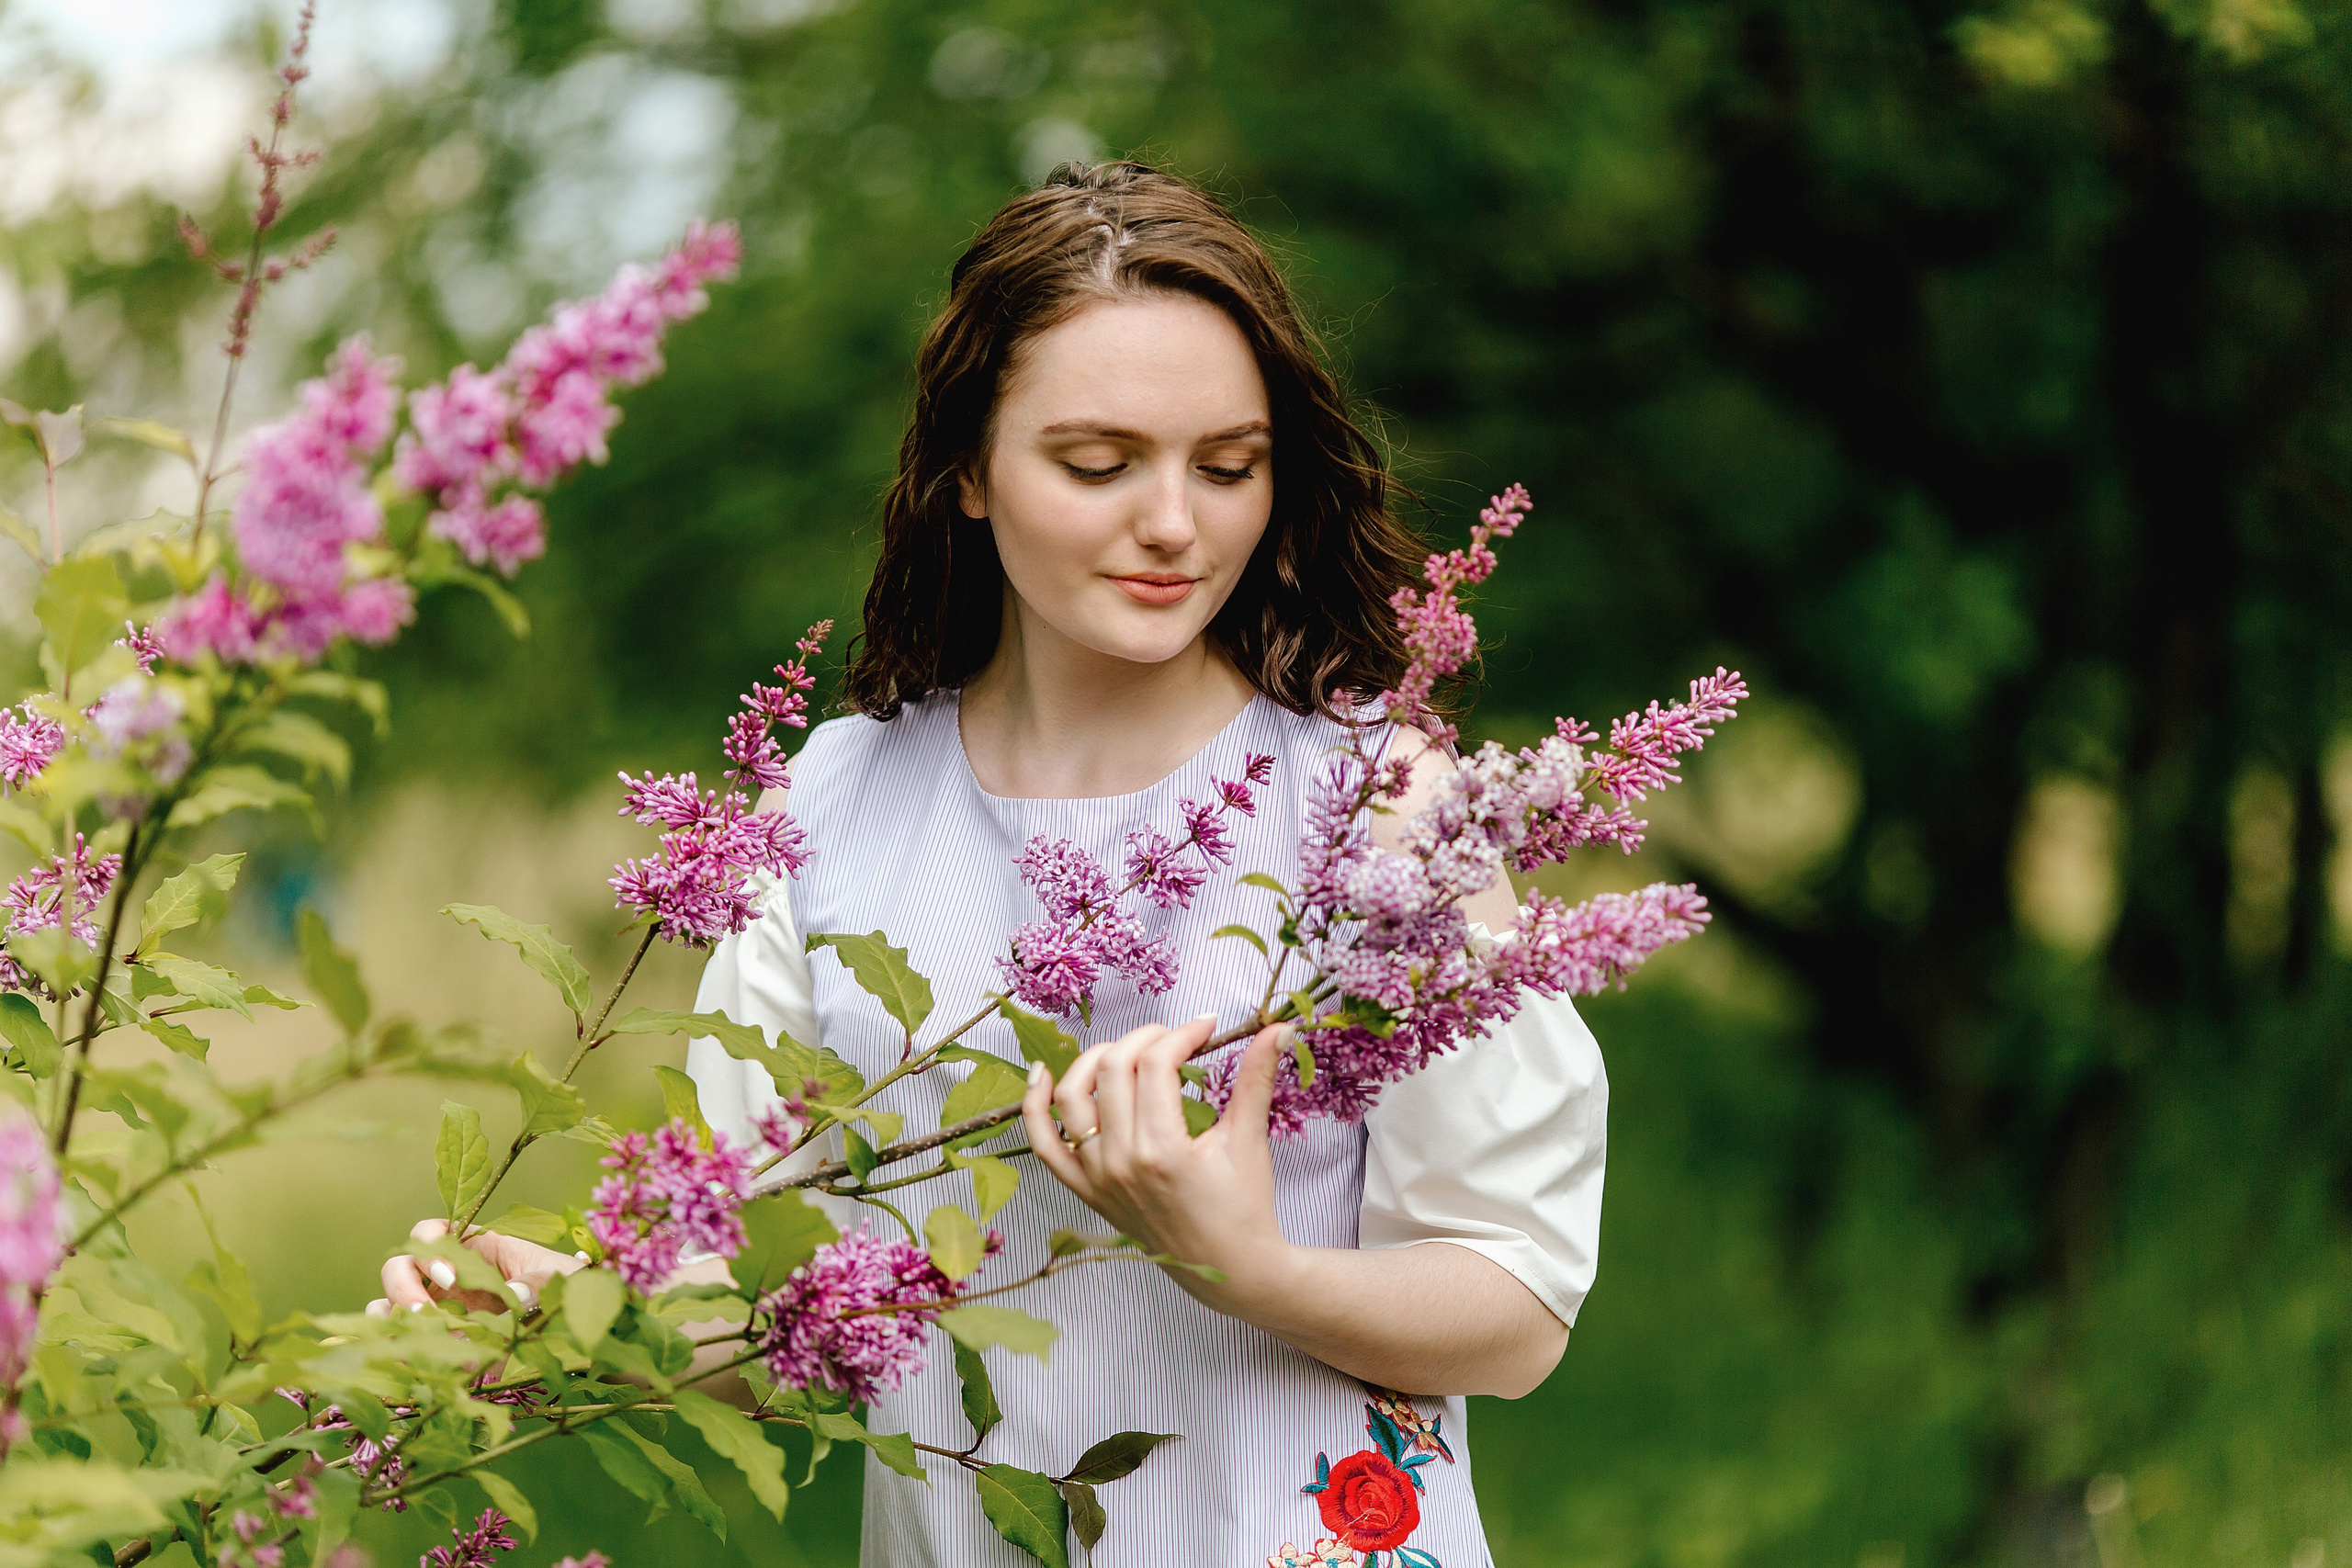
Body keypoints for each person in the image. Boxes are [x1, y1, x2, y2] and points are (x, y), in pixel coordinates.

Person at [378, 160, 1607, 1568]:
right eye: (1098, 464)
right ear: (967, 466)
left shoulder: (1384, 810)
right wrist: (573, 1329)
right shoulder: (829, 809)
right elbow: (783, 1332)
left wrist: (1248, 1268)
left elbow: (1517, 1311)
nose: (1175, 523)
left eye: (1228, 466)